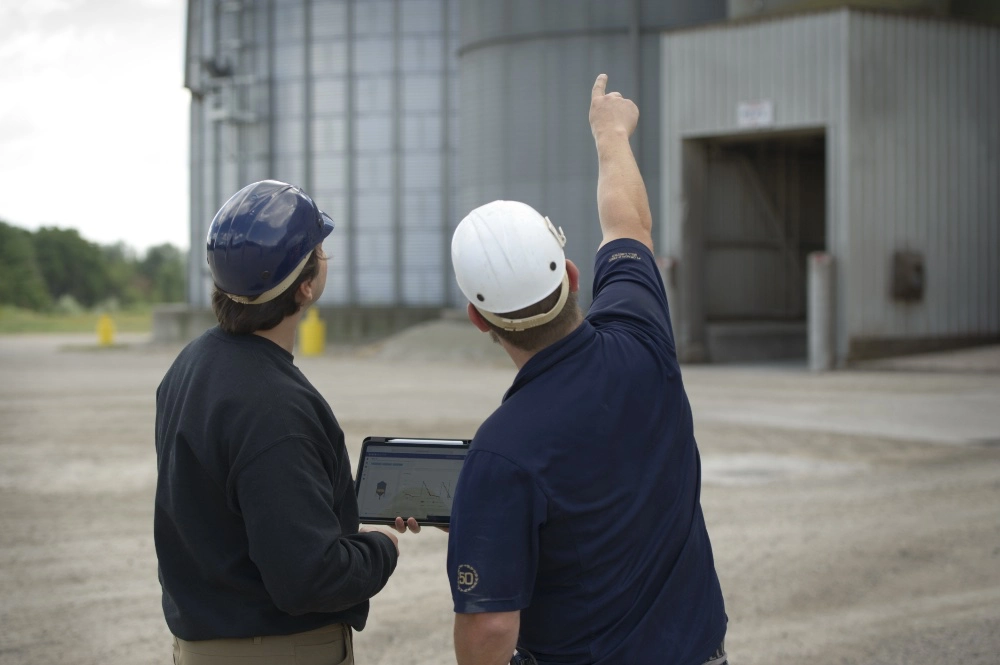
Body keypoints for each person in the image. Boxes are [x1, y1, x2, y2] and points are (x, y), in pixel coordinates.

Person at [445, 74, 728, 664]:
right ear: (572, 276)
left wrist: (486, 512)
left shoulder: (502, 453)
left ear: (479, 320)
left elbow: (491, 627)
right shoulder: (643, 339)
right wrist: (609, 132)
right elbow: (629, 226)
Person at [154, 180, 413, 665]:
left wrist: (338, 504)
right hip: (273, 650)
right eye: (321, 250)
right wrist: (381, 548)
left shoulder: (191, 365)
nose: (325, 256)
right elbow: (308, 579)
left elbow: (239, 502)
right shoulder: (275, 409)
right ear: (306, 286)